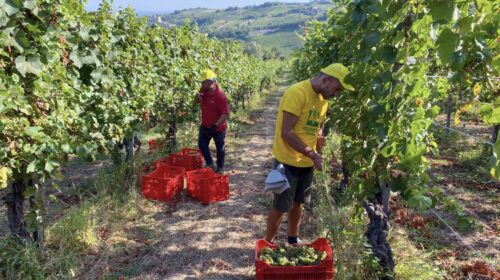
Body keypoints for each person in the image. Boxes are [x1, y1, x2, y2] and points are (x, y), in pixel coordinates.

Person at [265, 63, 354, 244]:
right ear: (325, 80)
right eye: (337, 89)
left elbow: (315, 129)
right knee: (281, 206)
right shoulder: (297, 93)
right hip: (287, 161)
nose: (336, 95)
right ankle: (268, 243)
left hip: (306, 162)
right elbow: (287, 132)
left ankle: (292, 239)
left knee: (298, 203)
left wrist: (320, 146)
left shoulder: (323, 100)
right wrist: (313, 155)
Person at [195, 69, 230, 174]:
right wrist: (196, 98)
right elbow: (196, 101)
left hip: (218, 128)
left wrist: (214, 126)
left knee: (220, 148)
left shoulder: (220, 95)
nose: (201, 84)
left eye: (203, 82)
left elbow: (225, 114)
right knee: (202, 144)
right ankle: (210, 164)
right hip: (205, 125)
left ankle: (220, 168)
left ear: (210, 82)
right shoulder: (203, 90)